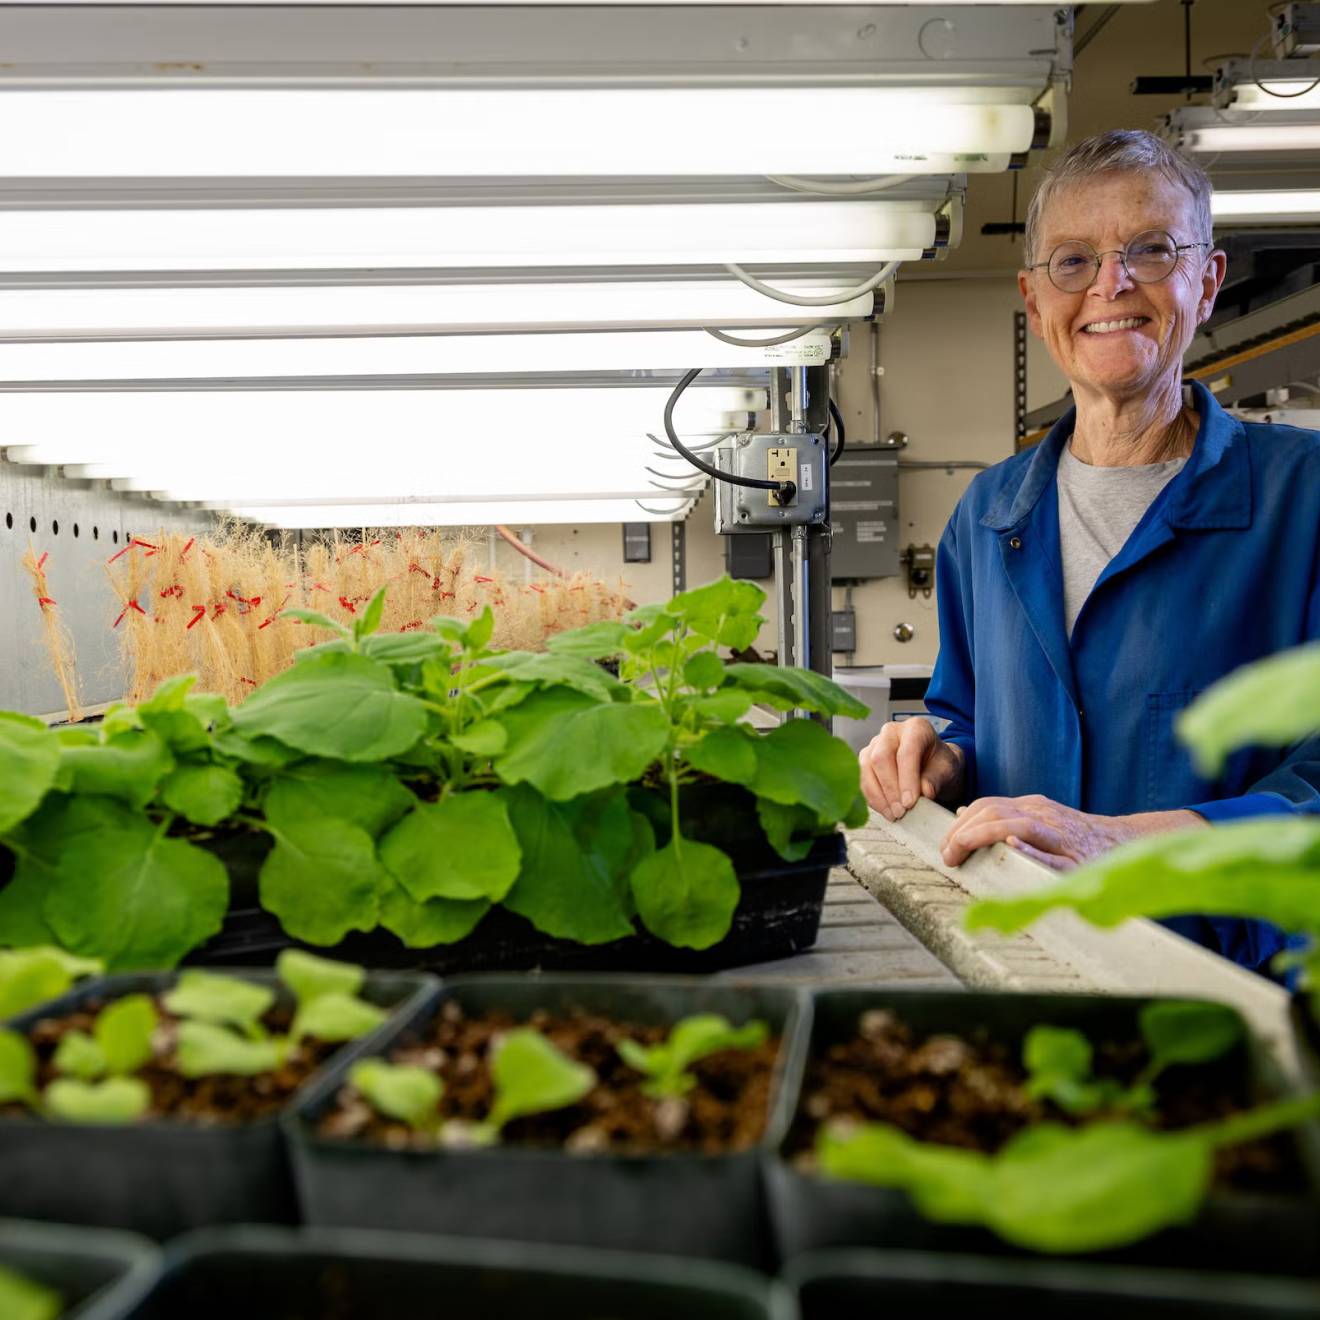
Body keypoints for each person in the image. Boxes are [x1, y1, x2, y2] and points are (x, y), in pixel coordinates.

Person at [858, 129, 1320, 972]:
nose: (1112, 283)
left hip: (1238, 995)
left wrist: (1119, 844)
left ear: (1207, 281)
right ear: (1035, 300)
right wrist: (937, 750)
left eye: (1150, 250)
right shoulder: (988, 514)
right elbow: (965, 709)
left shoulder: (1307, 498)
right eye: (1074, 260)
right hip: (1025, 971)